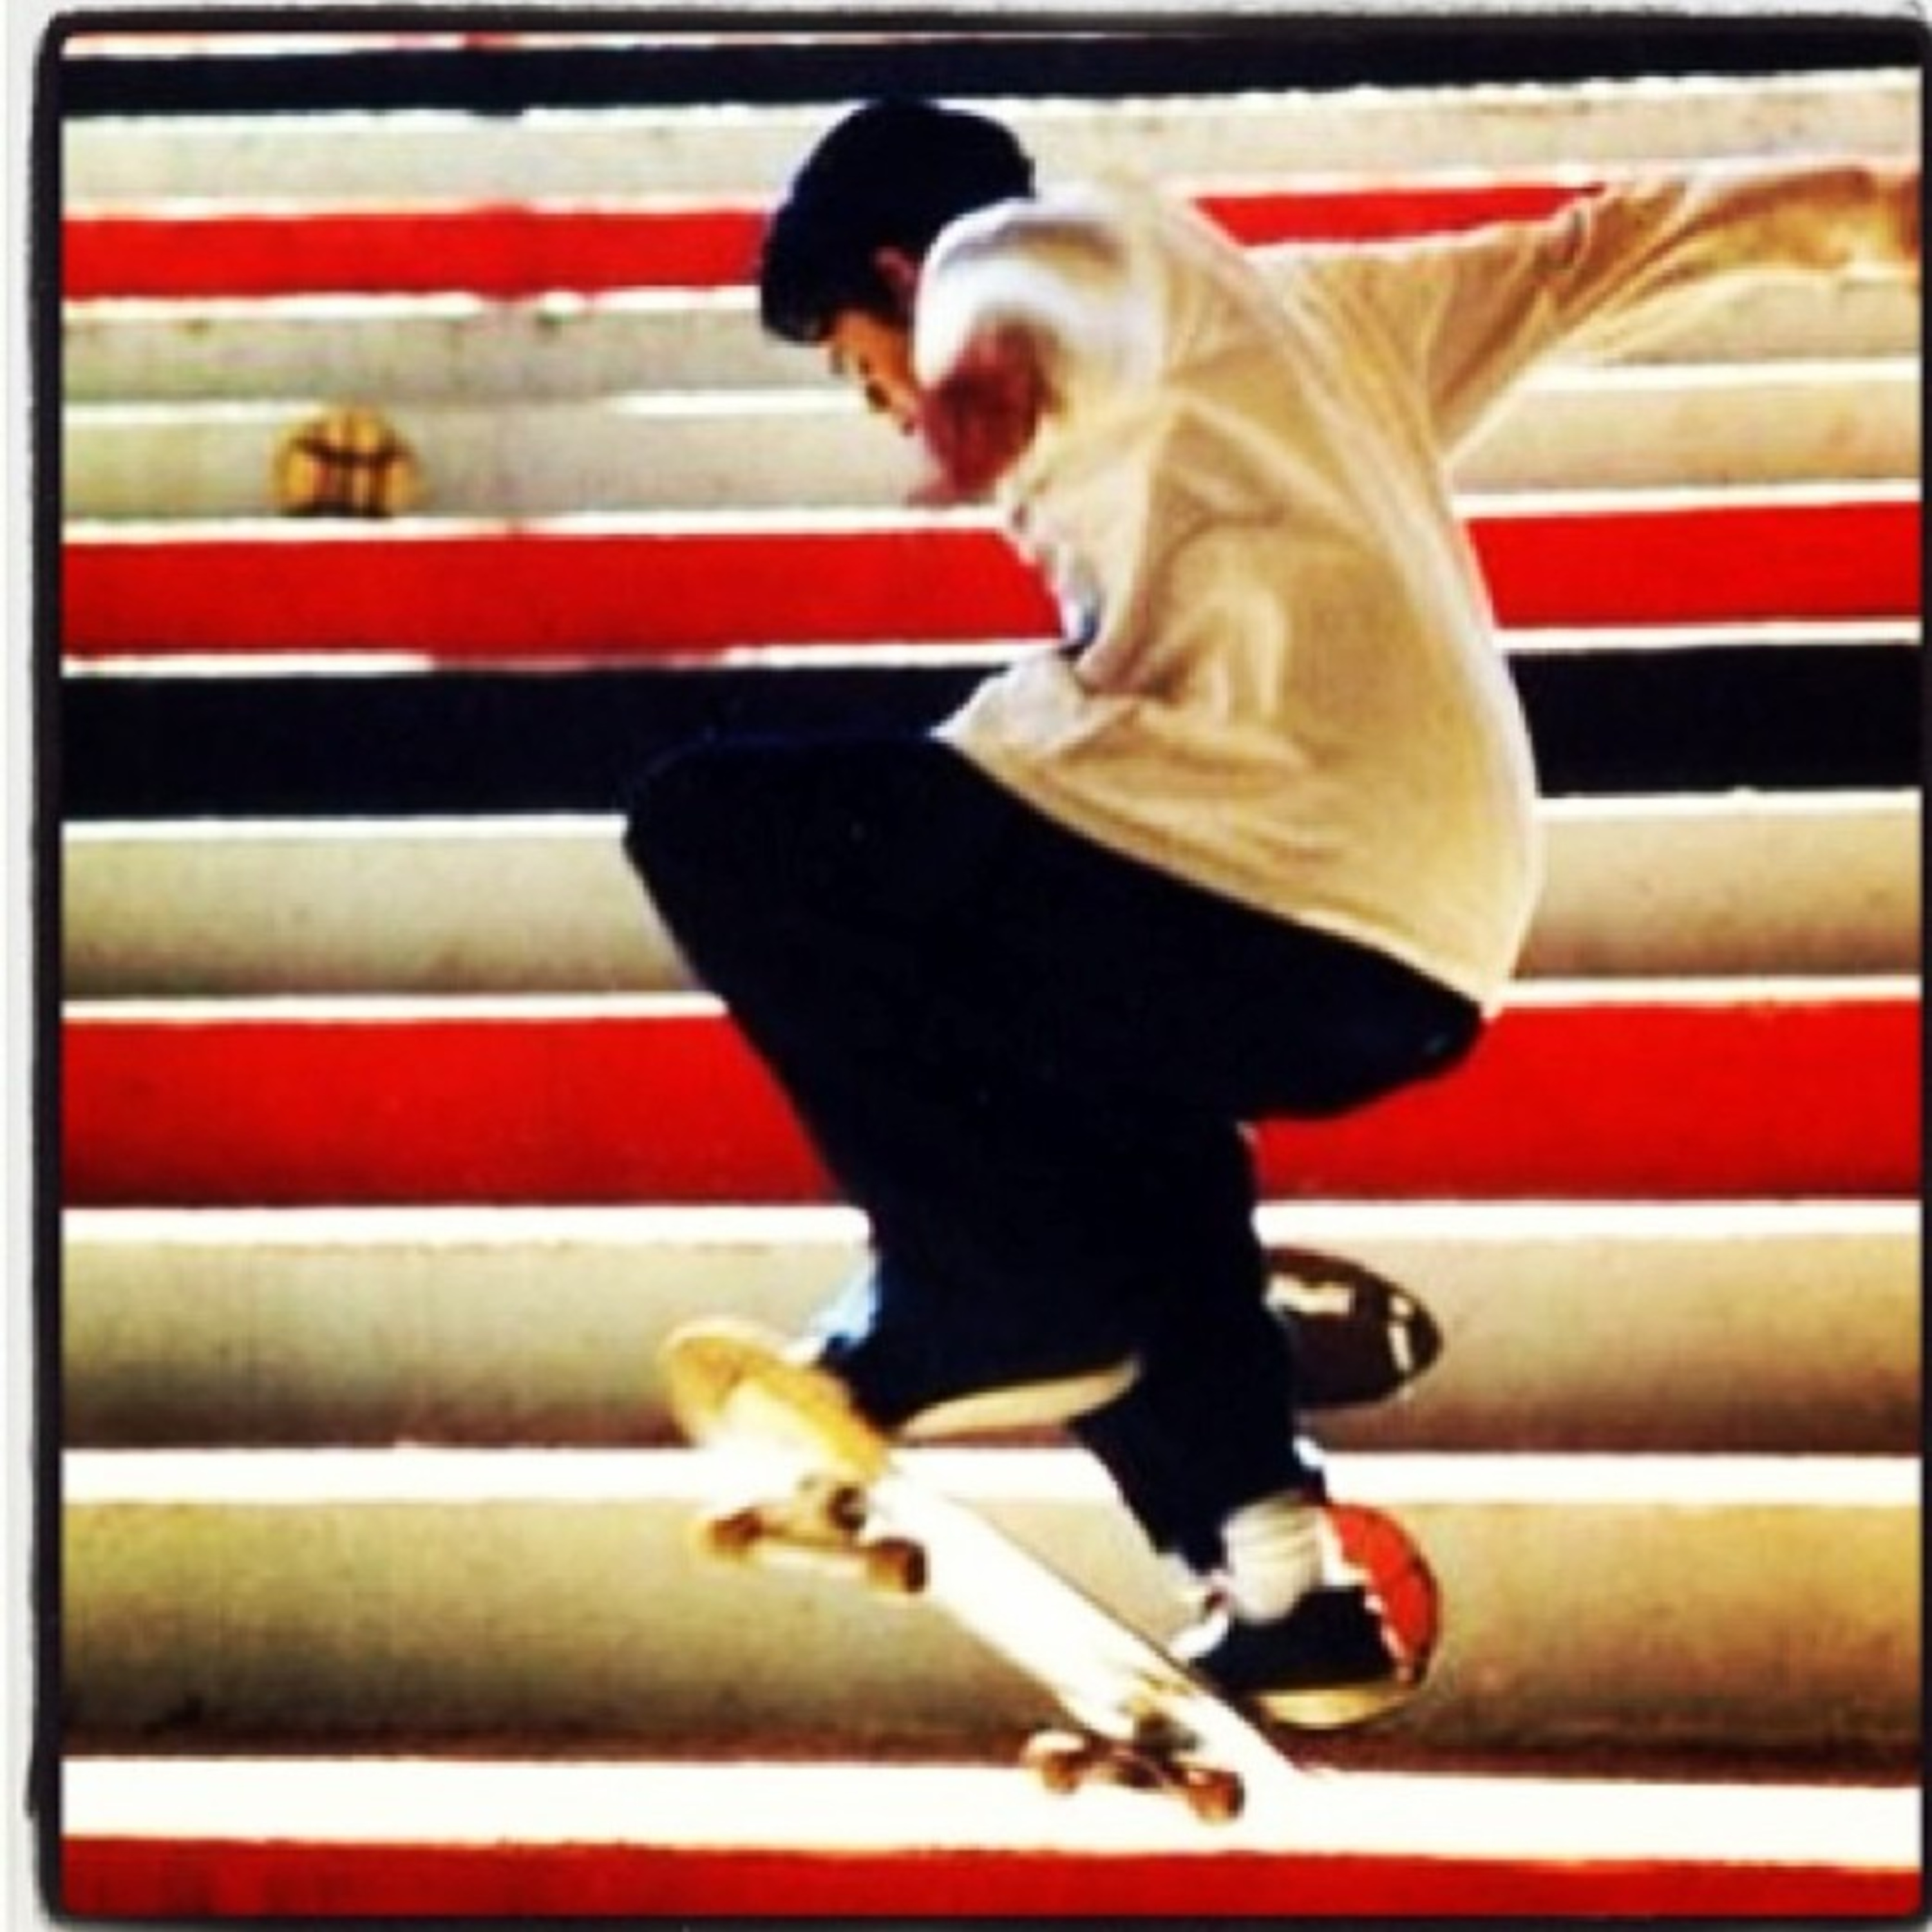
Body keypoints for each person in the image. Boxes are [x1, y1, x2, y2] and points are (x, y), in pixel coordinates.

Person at [627, 98, 1920, 1723]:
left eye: (856, 362)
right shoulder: (1326, 319)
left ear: (890, 273)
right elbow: (1599, 254)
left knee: (720, 831)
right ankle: (1277, 1573)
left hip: (1254, 845)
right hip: (1417, 942)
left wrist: (974, 347)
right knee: (1088, 1103)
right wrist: (1875, 208)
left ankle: (962, 1284)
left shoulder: (1020, 259)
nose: (887, 405)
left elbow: (1019, 270)